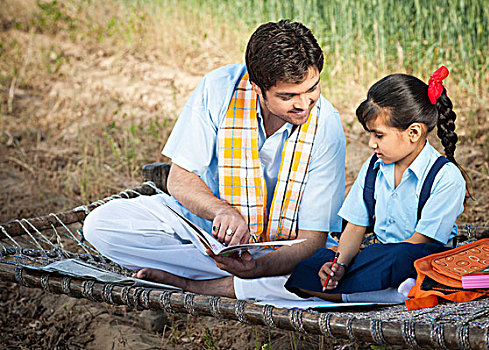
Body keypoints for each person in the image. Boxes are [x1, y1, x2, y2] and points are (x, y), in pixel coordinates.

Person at [83, 20, 346, 300]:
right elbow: (180, 179)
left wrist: (257, 267)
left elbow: (311, 241)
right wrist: (220, 211)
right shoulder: (219, 88)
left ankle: (199, 285)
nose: (304, 104)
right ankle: (244, 283)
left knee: (322, 275)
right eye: (288, 96)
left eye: (312, 89)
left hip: (283, 254)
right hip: (207, 238)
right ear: (257, 87)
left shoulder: (326, 125)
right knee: (102, 225)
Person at [285, 66, 467, 302]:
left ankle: (368, 291)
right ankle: (386, 293)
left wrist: (368, 256)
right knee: (312, 264)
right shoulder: (374, 167)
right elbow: (354, 228)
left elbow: (421, 243)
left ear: (413, 132)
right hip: (377, 258)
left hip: (416, 259)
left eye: (378, 135)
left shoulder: (446, 177)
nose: (371, 143)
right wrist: (338, 264)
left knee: (398, 257)